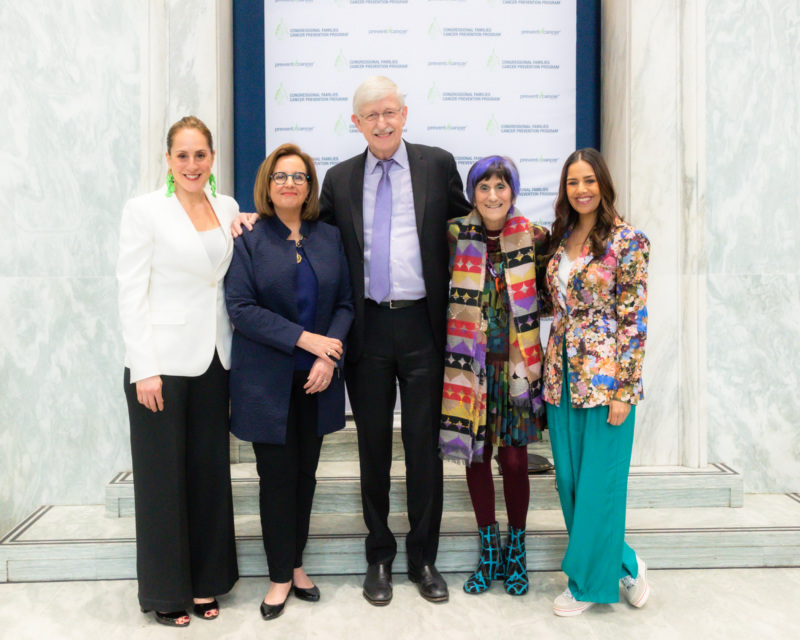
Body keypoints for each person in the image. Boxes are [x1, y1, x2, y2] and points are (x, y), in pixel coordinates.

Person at [319, 76, 472, 605]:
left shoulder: (437, 164)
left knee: (424, 449)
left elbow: (470, 228)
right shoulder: (338, 180)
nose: (382, 123)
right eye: (371, 115)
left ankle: (423, 558)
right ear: (355, 123)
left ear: (405, 114)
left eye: (390, 112)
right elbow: (312, 240)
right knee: (373, 449)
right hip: (367, 329)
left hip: (425, 328)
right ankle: (379, 556)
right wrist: (254, 221)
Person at [117, 116, 239, 627]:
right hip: (160, 367)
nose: (192, 164)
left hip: (215, 359)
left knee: (209, 476)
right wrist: (144, 367)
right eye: (182, 155)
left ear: (212, 159)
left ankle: (208, 581)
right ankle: (167, 592)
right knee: (162, 481)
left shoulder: (227, 207)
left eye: (201, 154)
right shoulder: (144, 210)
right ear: (168, 160)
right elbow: (130, 291)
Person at [225, 144, 354, 621]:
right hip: (267, 383)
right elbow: (241, 309)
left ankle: (298, 565)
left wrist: (329, 354)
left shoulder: (329, 236)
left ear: (309, 186)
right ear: (267, 184)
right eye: (280, 176)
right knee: (276, 480)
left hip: (316, 382)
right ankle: (279, 575)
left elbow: (344, 304)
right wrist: (308, 342)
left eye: (299, 177)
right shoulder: (250, 238)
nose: (289, 184)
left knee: (306, 476)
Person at [542, 148, 650, 616]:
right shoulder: (559, 237)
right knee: (569, 482)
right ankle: (624, 563)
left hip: (606, 380)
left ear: (603, 184)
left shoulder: (628, 241)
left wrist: (625, 389)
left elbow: (634, 319)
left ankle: (586, 584)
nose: (581, 189)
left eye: (589, 180)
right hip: (559, 377)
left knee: (599, 486)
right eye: (573, 182)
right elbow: (552, 304)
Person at [439, 156, 550, 596]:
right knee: (476, 457)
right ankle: (489, 553)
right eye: (483, 186)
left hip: (517, 369)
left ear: (513, 192)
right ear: (472, 193)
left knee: (516, 460)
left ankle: (517, 552)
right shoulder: (452, 235)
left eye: (500, 186)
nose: (492, 195)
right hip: (471, 369)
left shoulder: (536, 237)